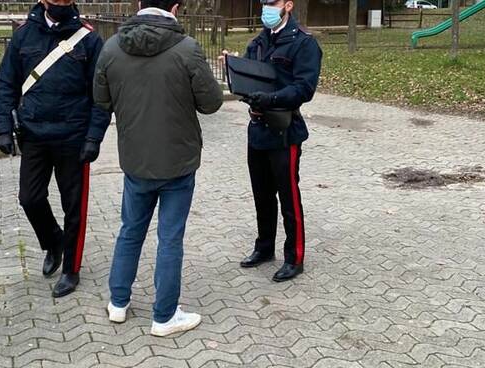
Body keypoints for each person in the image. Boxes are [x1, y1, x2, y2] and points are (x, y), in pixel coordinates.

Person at [93, 0, 223, 336]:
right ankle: (164, 316)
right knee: (170, 238)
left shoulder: (111, 48)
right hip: (178, 162)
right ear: (176, 7)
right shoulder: (187, 49)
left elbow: (101, 99)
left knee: (130, 230)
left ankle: (118, 302)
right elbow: (211, 103)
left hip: (136, 160)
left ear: (139, 4)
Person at [0, 0, 111, 297]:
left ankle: (71, 269)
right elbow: (7, 82)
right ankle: (54, 241)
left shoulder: (89, 39)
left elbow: (101, 94)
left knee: (74, 206)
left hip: (73, 136)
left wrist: (93, 138)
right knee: (30, 198)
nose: (59, 3)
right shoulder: (23, 35)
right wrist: (4, 128)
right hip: (34, 133)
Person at [239, 0, 322, 282]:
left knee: (289, 197)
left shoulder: (303, 43)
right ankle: (264, 247)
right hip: (258, 128)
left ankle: (294, 256)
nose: (267, 8)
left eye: (272, 3)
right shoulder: (259, 41)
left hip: (285, 130)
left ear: (288, 4)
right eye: (263, 3)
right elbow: (248, 77)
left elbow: (304, 87)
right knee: (261, 195)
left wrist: (272, 99)